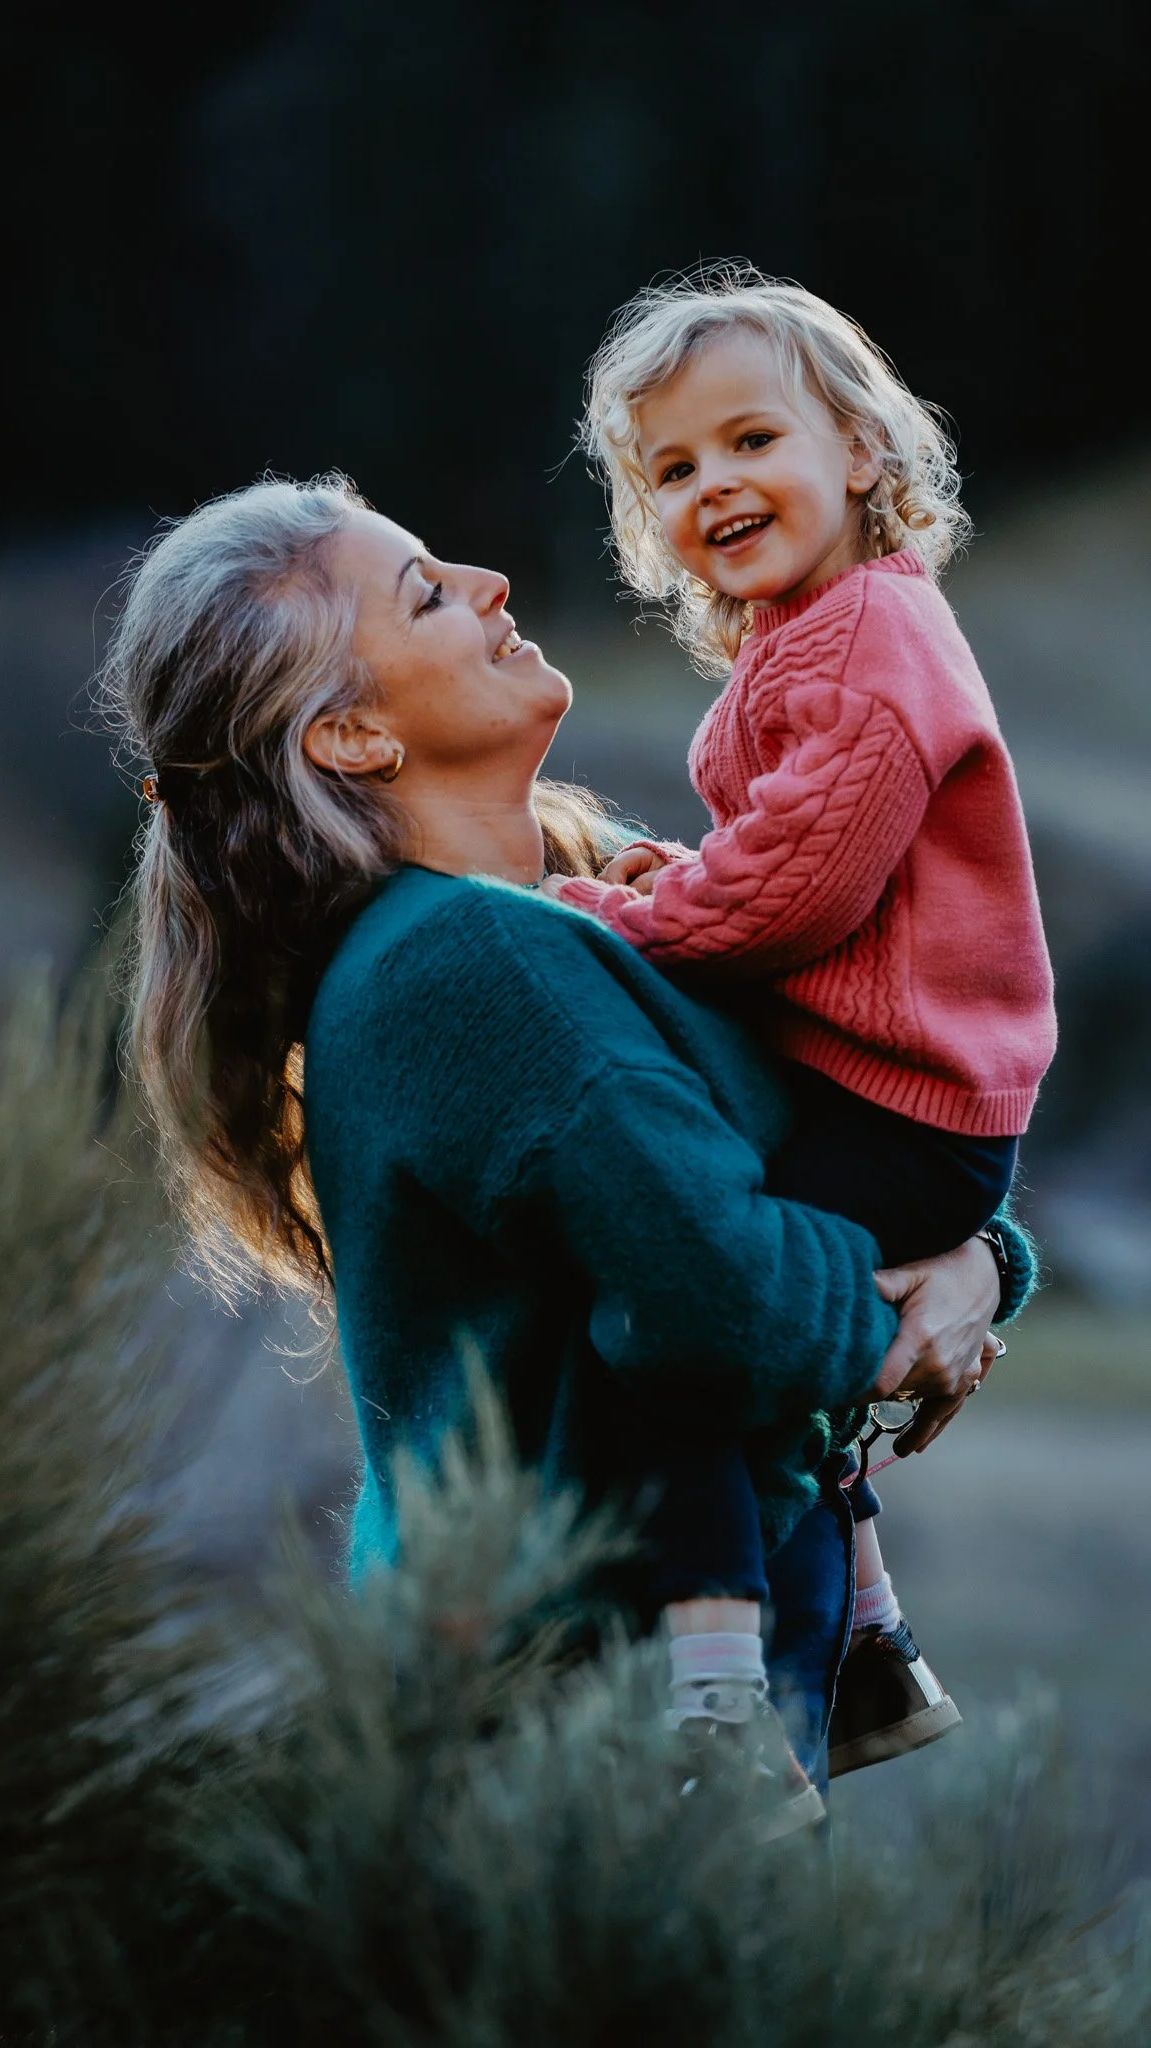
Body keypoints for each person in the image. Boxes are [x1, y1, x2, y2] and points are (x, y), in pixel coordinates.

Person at [102, 475, 1030, 1836]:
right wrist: (928, 1289)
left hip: (627, 1715)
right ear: (352, 735)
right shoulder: (476, 967)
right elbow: (730, 1304)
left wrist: (981, 1266)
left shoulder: (575, 926)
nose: (490, 584)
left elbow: (836, 1155)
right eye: (425, 590)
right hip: (577, 1745)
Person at [549, 270, 1056, 1779]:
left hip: (903, 1107)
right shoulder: (827, 632)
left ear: (865, 453)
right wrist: (675, 877)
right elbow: (784, 857)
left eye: (751, 439)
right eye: (675, 469)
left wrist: (614, 920)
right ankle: (868, 1637)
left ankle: (719, 1685)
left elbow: (795, 898)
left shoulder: (867, 646)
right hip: (897, 1097)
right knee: (745, 1325)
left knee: (684, 1320)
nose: (716, 486)